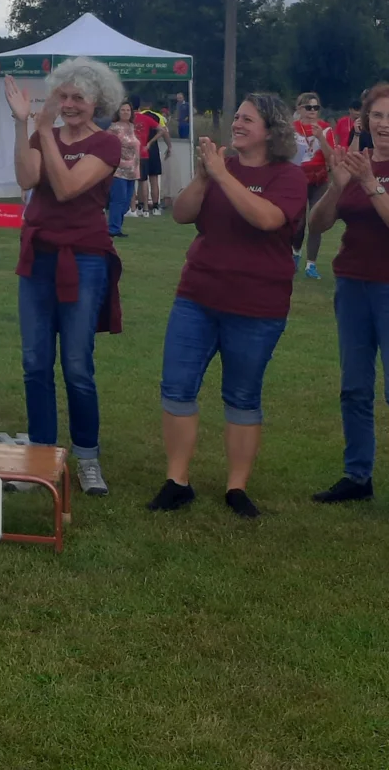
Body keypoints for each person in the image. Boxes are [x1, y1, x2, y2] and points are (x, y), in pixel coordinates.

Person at [150, 92, 307, 519]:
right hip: (197, 297)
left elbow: (267, 219)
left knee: (241, 395)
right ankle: (176, 481)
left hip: (257, 305)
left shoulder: (288, 177)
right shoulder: (221, 169)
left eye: (247, 119)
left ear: (271, 131)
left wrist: (223, 175)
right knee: (177, 387)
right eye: (236, 117)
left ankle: (236, 488)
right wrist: (204, 177)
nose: (236, 124)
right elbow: (181, 215)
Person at [305, 84, 389, 521]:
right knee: (354, 388)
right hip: (353, 285)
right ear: (364, 121)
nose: (383, 124)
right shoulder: (354, 162)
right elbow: (318, 225)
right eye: (376, 116)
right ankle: (357, 477)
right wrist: (337, 185)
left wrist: (370, 183)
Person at [7, 57, 124, 496]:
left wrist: (46, 133)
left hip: (85, 259)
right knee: (35, 362)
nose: (70, 104)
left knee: (77, 364)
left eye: (79, 97)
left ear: (99, 102)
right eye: (64, 96)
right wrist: (25, 126)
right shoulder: (45, 133)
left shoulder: (107, 145)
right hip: (37, 256)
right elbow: (27, 177)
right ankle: (40, 456)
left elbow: (68, 185)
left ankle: (87, 457)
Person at [290, 92, 333, 279]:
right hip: (297, 180)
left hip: (319, 179)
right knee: (298, 224)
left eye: (316, 108)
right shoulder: (292, 129)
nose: (312, 111)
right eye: (308, 107)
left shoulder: (325, 129)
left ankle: (311, 265)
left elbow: (330, 156)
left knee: (315, 222)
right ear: (299, 109)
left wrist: (320, 138)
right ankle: (295, 255)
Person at [108, 102, 140, 236]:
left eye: (128, 110)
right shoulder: (114, 128)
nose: (126, 112)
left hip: (132, 170)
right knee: (118, 200)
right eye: (123, 110)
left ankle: (117, 225)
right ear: (118, 112)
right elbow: (106, 143)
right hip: (119, 169)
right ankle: (113, 229)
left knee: (127, 202)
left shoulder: (132, 127)